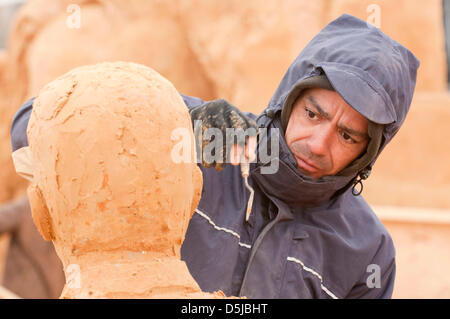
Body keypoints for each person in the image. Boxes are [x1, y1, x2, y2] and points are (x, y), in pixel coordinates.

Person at [10, 14, 419, 298]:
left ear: (369, 151)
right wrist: (180, 121)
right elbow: (34, 124)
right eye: (313, 114)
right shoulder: (209, 139)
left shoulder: (368, 252)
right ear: (288, 100)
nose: (318, 143)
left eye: (347, 136)